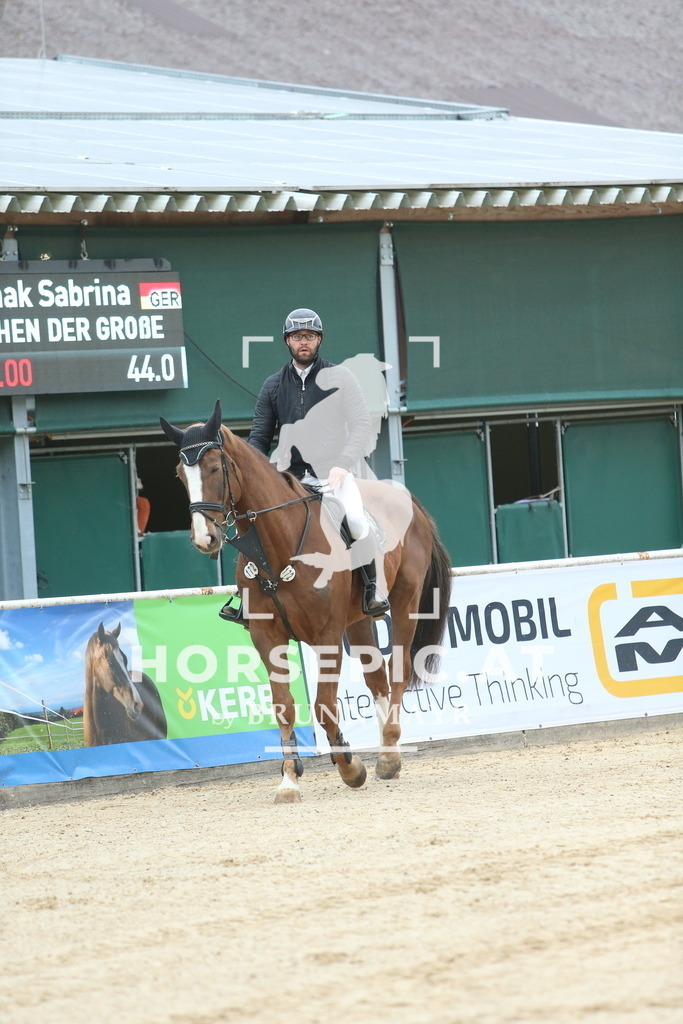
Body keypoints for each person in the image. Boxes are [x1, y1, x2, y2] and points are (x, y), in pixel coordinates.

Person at [243, 307, 390, 618]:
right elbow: (259, 438)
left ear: (319, 339)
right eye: (297, 336)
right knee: (258, 524)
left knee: (356, 521)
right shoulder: (272, 386)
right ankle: (245, 598)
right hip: (291, 478)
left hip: (334, 473)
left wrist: (343, 463)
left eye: (309, 335)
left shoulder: (341, 378)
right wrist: (260, 476)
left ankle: (372, 589)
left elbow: (362, 424)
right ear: (287, 341)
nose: (303, 342)